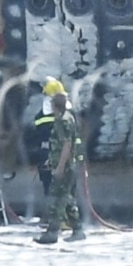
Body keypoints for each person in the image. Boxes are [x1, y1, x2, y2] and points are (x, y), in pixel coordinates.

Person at [34, 92, 86, 244]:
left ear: (54, 105)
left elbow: (67, 145)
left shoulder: (62, 121)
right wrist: (51, 161)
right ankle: (77, 229)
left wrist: (60, 167)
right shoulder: (68, 118)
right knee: (67, 198)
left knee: (55, 199)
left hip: (65, 167)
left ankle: (52, 233)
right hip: (64, 164)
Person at [29, 77, 67, 197]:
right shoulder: (69, 116)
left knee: (53, 189)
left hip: (50, 155)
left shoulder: (41, 116)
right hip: (53, 156)